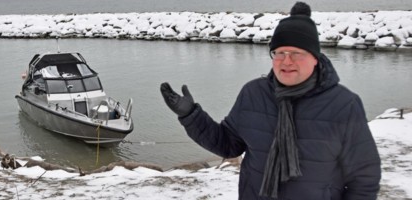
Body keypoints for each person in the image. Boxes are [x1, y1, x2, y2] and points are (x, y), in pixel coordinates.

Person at [160, 2, 381, 199]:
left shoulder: (343, 104)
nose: (287, 61)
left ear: (315, 58)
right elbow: (228, 144)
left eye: (296, 53)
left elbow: (364, 177)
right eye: (279, 53)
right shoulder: (253, 94)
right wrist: (190, 115)